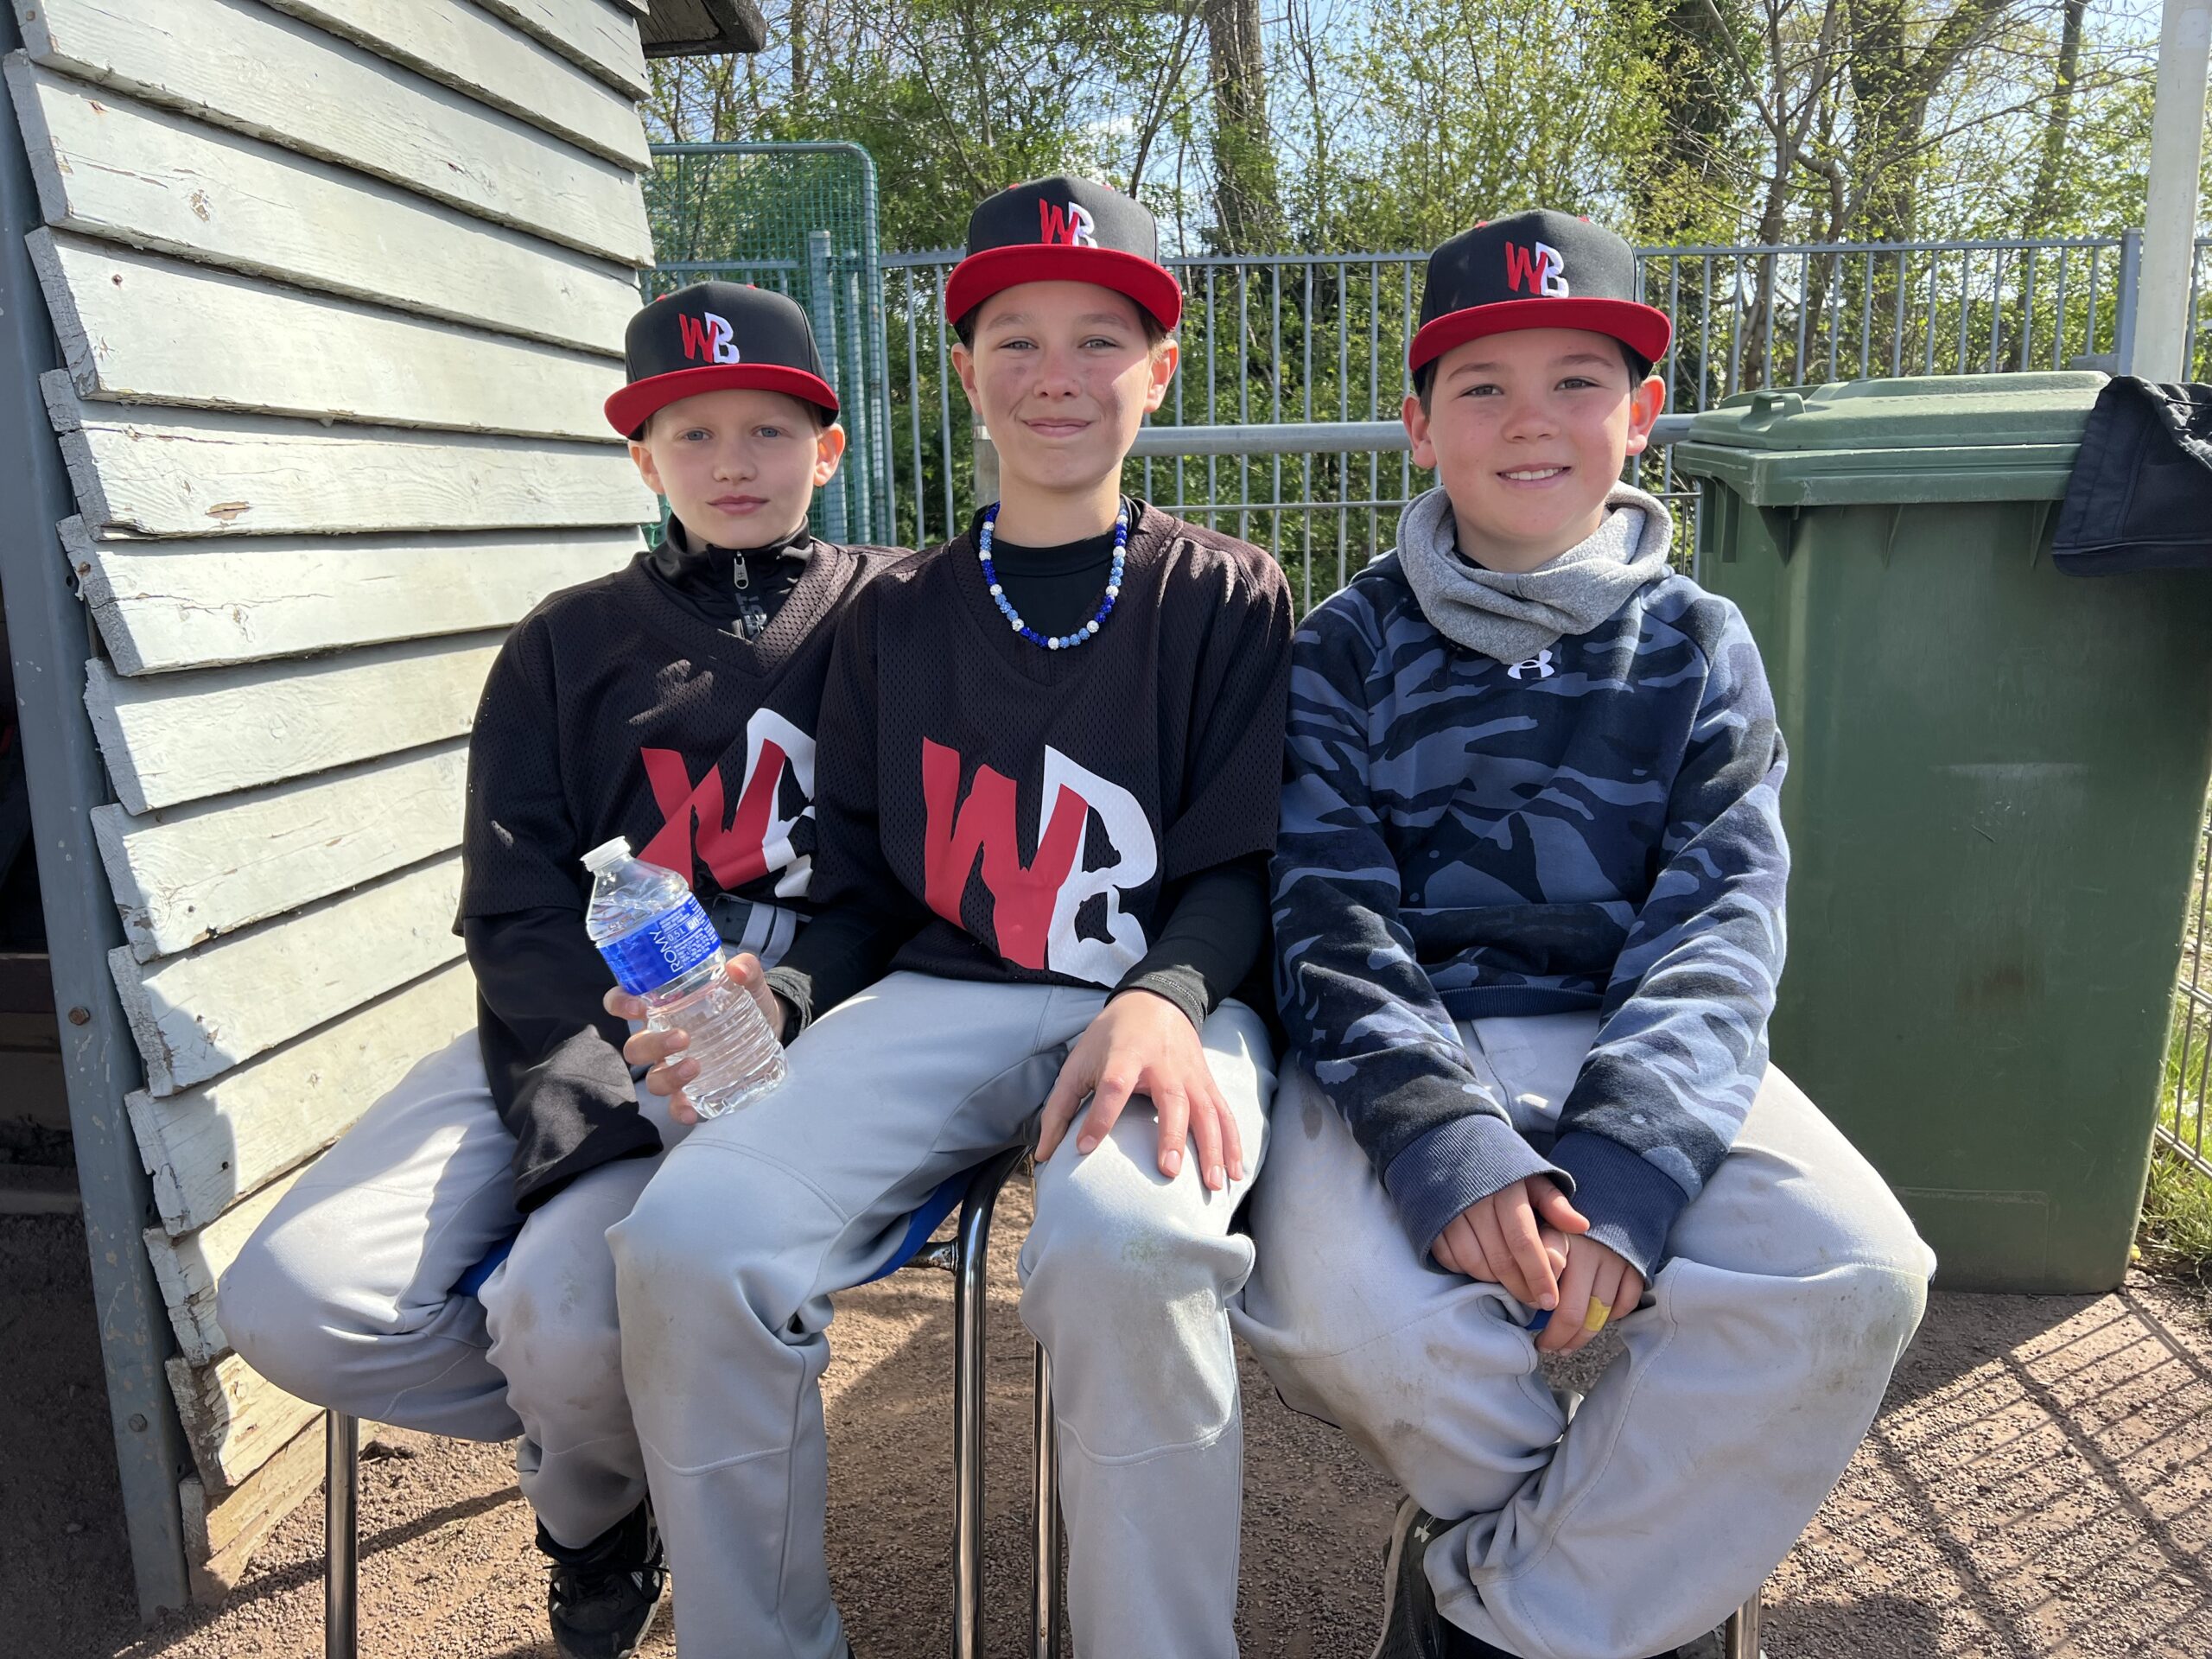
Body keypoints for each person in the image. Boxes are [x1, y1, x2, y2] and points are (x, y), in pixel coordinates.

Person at [604, 176, 1293, 1659]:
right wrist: (785, 993)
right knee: (689, 1241)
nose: (1058, 374)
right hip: (943, 998)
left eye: (1101, 339)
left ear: (1160, 371)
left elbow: (1242, 867)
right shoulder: (896, 613)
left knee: (1124, 1251)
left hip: (1173, 1001)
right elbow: (857, 879)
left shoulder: (1227, 593)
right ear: (964, 372)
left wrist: (1165, 996)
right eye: (1016, 340)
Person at [1230, 211, 1936, 1659]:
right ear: (1419, 426)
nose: (1530, 420)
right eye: (1482, 386)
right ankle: (1598, 1591)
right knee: (1359, 1326)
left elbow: (1722, 918)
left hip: (1630, 1038)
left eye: (1577, 381)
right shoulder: (1345, 647)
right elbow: (1326, 913)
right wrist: (1445, 1144)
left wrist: (1626, 1165)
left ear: (1643, 413)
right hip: (1404, 1048)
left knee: (1858, 1271)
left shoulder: (1699, 643)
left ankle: (1492, 1613)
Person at [219, 283, 906, 1659]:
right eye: (690, 432)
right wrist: (599, 1104)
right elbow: (516, 905)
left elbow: (925, 877)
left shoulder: (898, 614)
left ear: (829, 449)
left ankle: (592, 1506)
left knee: (564, 1310)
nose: (731, 461)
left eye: (769, 429)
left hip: (808, 1023)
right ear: (641, 459)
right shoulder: (565, 640)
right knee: (293, 1301)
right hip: (585, 1023)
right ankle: (634, 1450)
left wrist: (787, 1007)